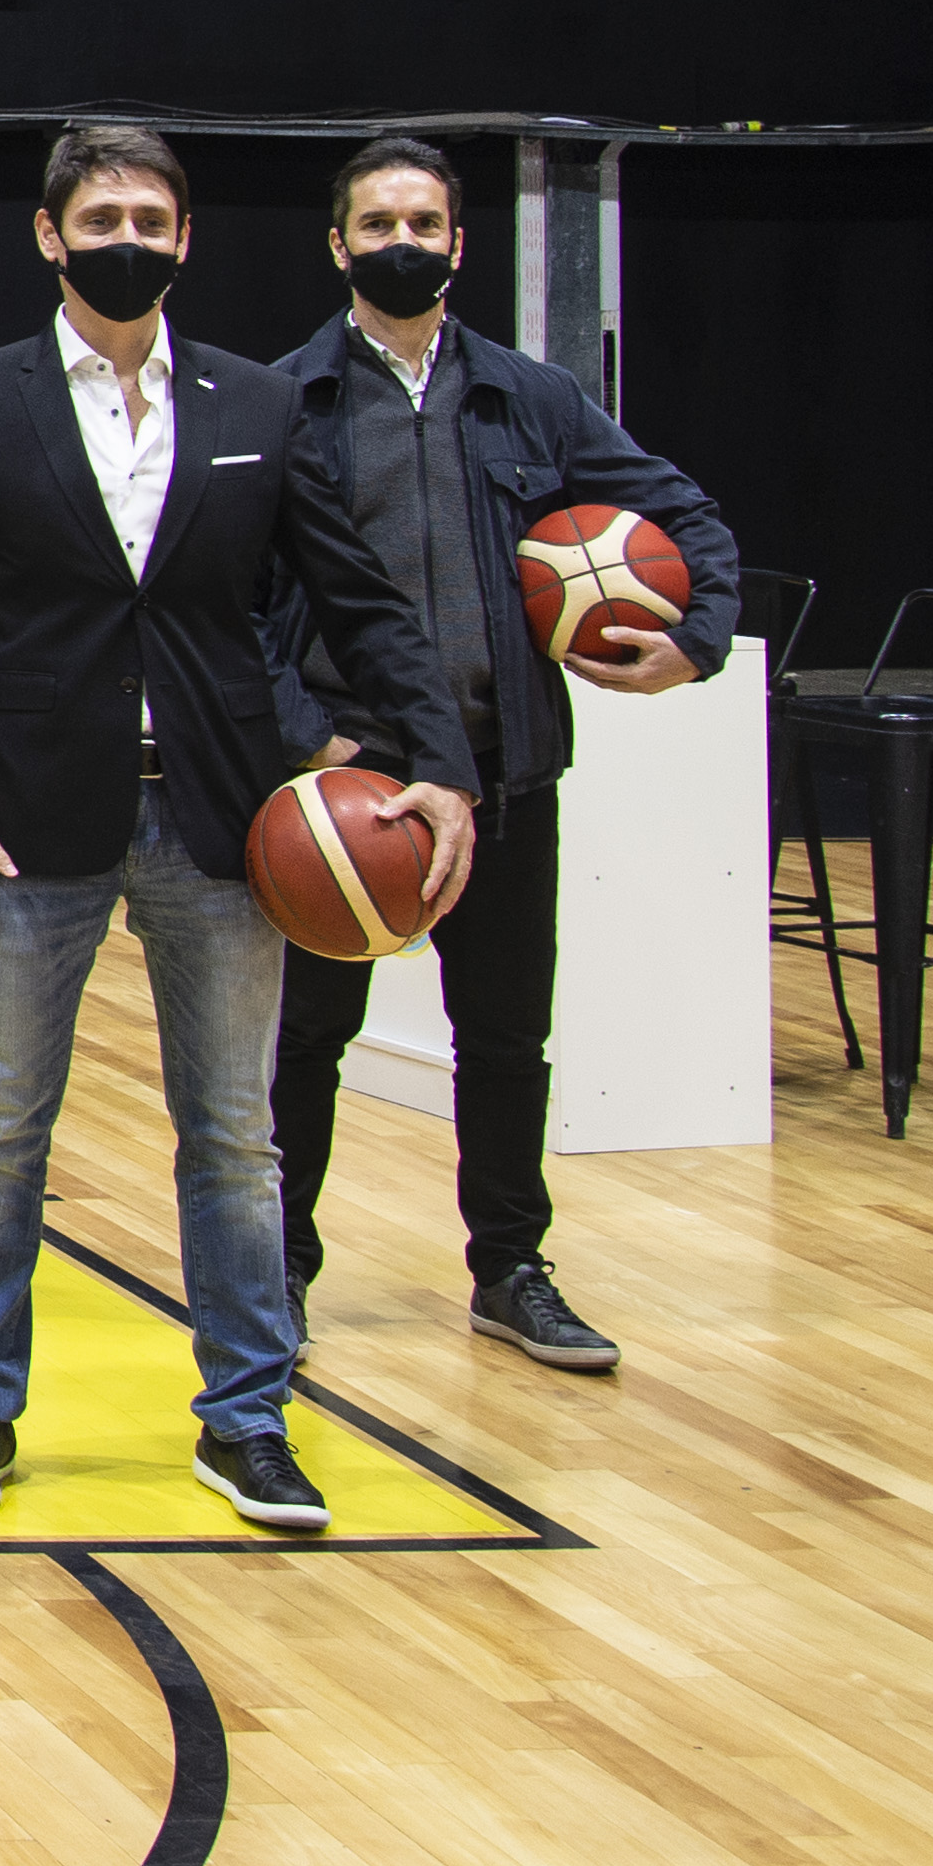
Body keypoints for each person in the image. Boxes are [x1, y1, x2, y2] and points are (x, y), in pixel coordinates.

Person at [0, 122, 472, 1539]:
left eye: (148, 213)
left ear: (183, 239)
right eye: (98, 215)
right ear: (47, 235)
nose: (123, 234)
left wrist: (433, 760)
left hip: (220, 818)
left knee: (232, 1136)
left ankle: (246, 1421)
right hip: (22, 822)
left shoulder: (257, 400)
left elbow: (363, 603)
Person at [266, 133, 742, 1378]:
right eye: (376, 224)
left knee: (502, 1037)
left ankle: (508, 1270)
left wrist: (692, 640)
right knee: (305, 1037)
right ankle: (276, 1266)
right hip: (350, 781)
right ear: (336, 245)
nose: (401, 243)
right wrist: (299, 733)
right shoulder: (283, 400)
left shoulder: (528, 395)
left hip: (498, 771)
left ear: (459, 243)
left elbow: (683, 511)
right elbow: (227, 599)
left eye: (422, 222)